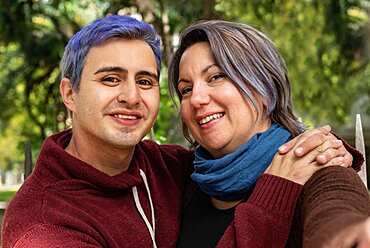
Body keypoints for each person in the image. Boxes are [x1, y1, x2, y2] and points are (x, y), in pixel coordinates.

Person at [1, 15, 360, 248]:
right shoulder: (43, 227)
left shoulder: (171, 170)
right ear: (70, 94)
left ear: (264, 86)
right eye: (110, 79)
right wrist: (273, 196)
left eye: (145, 81)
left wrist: (321, 148)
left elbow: (337, 214)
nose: (130, 97)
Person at [167, 20, 370, 248]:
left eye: (216, 77)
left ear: (262, 88)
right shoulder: (184, 178)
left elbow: (336, 212)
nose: (196, 99)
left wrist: (350, 233)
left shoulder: (317, 167)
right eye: (186, 89)